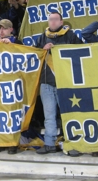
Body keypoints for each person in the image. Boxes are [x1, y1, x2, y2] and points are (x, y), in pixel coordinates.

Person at [35, 12, 84, 155]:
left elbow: (81, 51)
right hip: (46, 82)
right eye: (51, 19)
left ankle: (71, 143)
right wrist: (42, 50)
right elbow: (33, 55)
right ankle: (49, 143)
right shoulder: (42, 37)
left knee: (68, 114)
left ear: (62, 22)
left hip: (66, 82)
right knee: (49, 115)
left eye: (56, 19)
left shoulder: (71, 35)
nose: (53, 22)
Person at [0, 19, 22, 155]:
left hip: (13, 83)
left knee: (12, 113)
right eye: (0, 28)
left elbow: (26, 55)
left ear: (11, 29)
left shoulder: (18, 42)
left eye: (4, 28)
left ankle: (12, 142)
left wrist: (12, 46)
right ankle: (0, 141)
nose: (1, 31)